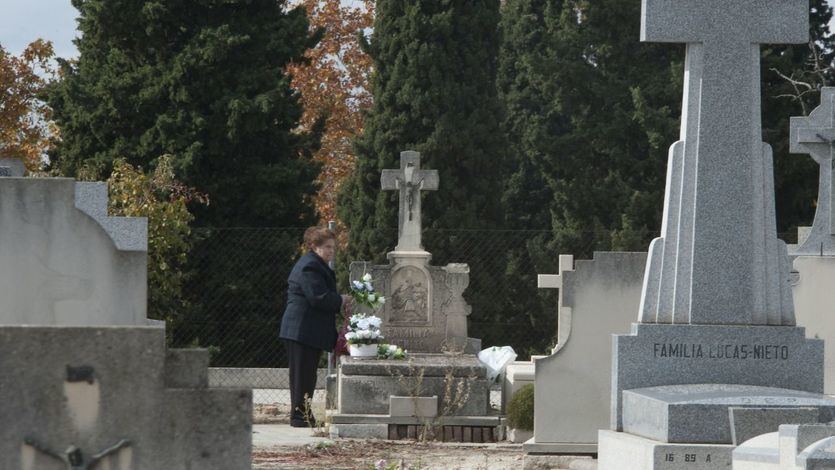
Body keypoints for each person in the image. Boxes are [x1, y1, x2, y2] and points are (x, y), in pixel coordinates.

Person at [279, 226, 351, 427]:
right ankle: (299, 416)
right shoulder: (309, 266)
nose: (331, 251)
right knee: (302, 375)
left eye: (333, 247)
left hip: (307, 331)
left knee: (307, 374)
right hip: (301, 330)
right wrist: (341, 299)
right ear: (313, 246)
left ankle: (304, 415)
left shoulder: (316, 265)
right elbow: (318, 297)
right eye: (327, 247)